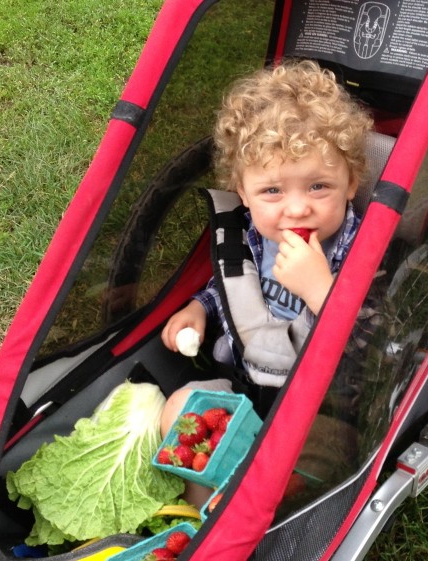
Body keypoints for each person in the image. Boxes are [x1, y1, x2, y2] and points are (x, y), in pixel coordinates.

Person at [158, 59, 373, 458]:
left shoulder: (361, 248)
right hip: (245, 383)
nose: (295, 209)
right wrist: (201, 307)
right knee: (177, 412)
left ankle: (241, 504)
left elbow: (374, 347)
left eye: (318, 187)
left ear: (351, 184)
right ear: (243, 192)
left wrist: (321, 290)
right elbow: (236, 282)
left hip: (320, 412)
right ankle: (201, 511)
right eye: (272, 191)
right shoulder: (255, 234)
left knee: (297, 462)